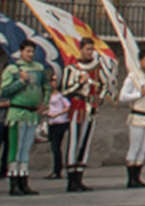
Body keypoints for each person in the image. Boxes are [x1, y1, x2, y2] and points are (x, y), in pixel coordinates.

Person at [1, 40, 51, 196]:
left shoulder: (39, 68)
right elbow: (4, 91)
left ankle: (24, 180)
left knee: (26, 149)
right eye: (27, 51)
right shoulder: (13, 69)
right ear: (21, 52)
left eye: (32, 52)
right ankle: (13, 182)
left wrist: (44, 103)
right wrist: (21, 81)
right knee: (15, 149)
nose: (30, 54)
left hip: (32, 113)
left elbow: (46, 86)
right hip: (17, 113)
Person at [61, 38, 104, 192]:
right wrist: (80, 82)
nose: (89, 52)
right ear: (81, 49)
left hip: (90, 108)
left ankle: (80, 177)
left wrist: (100, 97)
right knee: (73, 142)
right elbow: (65, 90)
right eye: (87, 49)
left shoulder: (97, 67)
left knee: (85, 143)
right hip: (77, 107)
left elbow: (103, 84)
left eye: (91, 49)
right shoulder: (72, 68)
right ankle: (71, 179)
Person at [118, 50, 145, 188]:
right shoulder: (133, 77)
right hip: (138, 115)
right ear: (140, 61)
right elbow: (122, 96)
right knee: (135, 147)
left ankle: (138, 177)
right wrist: (138, 94)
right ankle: (131, 178)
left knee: (143, 148)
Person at [45, 75, 69, 180]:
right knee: (53, 146)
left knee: (56, 146)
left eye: (56, 80)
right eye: (52, 80)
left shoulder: (61, 95)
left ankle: (57, 169)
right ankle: (56, 169)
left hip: (61, 122)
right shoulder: (48, 95)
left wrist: (58, 114)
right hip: (51, 122)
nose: (54, 82)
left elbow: (68, 106)